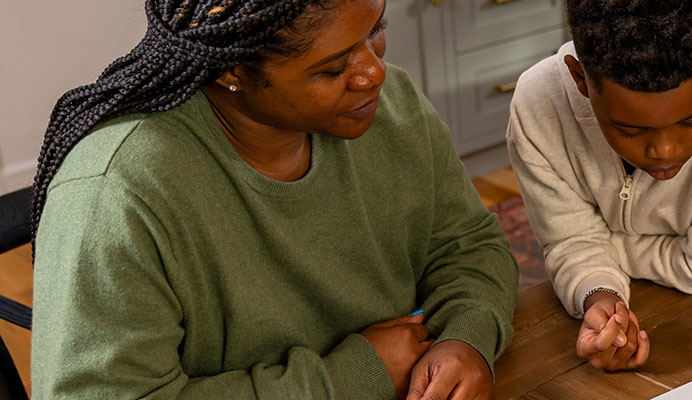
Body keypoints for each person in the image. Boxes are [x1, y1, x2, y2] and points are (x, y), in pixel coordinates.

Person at [29, 1, 518, 398]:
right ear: (232, 71)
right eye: (333, 68)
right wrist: (351, 379)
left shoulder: (395, 107)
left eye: (376, 31)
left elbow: (468, 245)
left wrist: (466, 336)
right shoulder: (115, 196)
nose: (374, 72)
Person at [506, 0, 692, 371]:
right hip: (644, 291)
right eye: (630, 129)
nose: (666, 151)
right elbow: (569, 240)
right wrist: (601, 296)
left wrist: (597, 244)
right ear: (579, 78)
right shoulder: (539, 107)